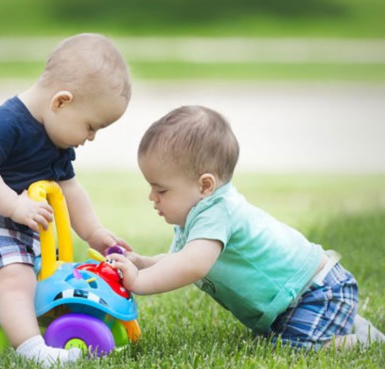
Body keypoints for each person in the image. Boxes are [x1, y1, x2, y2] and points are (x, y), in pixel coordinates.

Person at [108, 105, 385, 350]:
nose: (152, 197)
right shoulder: (198, 213)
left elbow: (192, 265)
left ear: (205, 185)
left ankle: (360, 339)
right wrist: (143, 263)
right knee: (273, 340)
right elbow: (179, 260)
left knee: (292, 348)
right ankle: (339, 321)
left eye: (162, 189)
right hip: (294, 301)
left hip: (318, 292)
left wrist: (139, 282)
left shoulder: (217, 212)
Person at [0, 33, 132, 367]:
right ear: (61, 101)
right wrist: (15, 205)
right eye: (90, 126)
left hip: (19, 227)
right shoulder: (5, 122)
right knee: (17, 277)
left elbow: (70, 189)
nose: (91, 138)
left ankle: (62, 319)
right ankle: (31, 349)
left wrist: (94, 231)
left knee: (56, 273)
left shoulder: (57, 138)